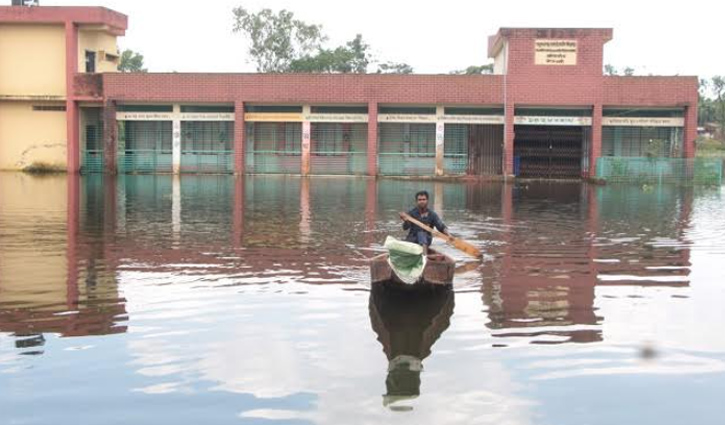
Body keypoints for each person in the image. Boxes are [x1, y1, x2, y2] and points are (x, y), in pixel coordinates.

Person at [399, 191, 450, 255]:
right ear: (416, 201)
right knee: (402, 243)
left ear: (427, 200)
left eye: (424, 199)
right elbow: (405, 228)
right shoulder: (411, 213)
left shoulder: (432, 215)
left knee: (422, 234)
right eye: (419, 200)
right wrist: (406, 221)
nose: (422, 201)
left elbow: (441, 227)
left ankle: (424, 256)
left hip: (426, 239)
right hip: (413, 238)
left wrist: (449, 235)